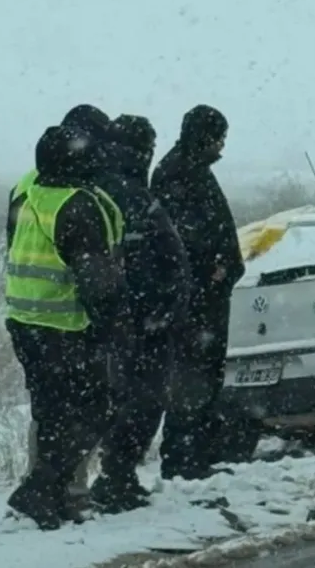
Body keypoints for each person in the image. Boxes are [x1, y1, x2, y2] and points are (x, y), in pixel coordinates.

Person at [5, 125, 127, 530]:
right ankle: (39, 489)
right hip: (65, 325)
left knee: (53, 412)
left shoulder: (26, 189)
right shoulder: (78, 205)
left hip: (25, 322)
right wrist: (113, 327)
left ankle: (47, 492)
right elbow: (97, 281)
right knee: (96, 407)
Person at [88, 114, 191, 513]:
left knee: (106, 400)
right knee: (143, 400)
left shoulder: (90, 190)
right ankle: (117, 477)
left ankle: (100, 478)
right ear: (143, 150)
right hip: (143, 322)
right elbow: (172, 259)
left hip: (97, 323)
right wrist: (166, 312)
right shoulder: (136, 195)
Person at [151, 104, 245, 480]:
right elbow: (181, 239)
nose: (222, 146)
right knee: (192, 378)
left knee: (203, 377)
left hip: (205, 298)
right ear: (203, 136)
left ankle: (197, 454)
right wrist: (212, 268)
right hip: (196, 301)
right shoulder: (178, 173)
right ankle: (183, 457)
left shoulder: (191, 170)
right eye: (218, 138)